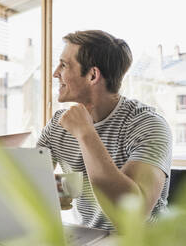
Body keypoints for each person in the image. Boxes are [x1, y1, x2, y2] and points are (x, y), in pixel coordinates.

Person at [37, 30, 172, 230]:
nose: (55, 72)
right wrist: (54, 190)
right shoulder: (58, 124)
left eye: (64, 65)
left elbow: (131, 217)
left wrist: (86, 133)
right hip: (90, 237)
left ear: (92, 75)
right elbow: (30, 182)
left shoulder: (148, 124)